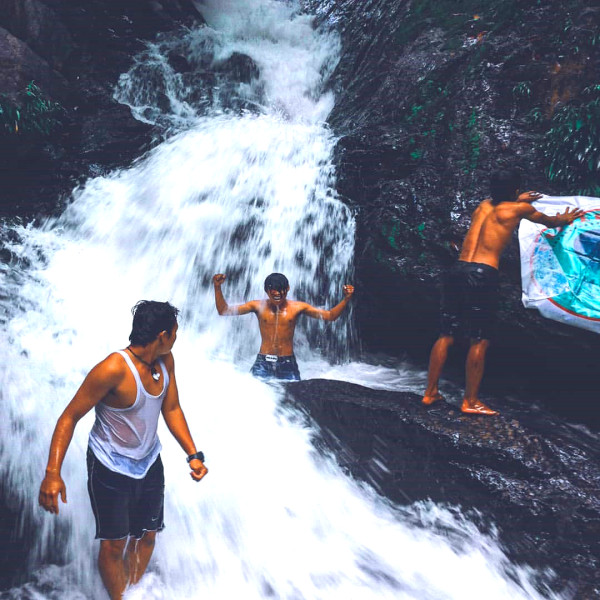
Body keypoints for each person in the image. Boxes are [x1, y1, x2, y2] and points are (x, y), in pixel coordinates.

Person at [38, 301, 208, 600]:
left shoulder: (166, 361)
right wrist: (53, 473)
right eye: (176, 333)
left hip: (149, 460)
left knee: (147, 537)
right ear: (163, 335)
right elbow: (69, 416)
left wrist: (193, 454)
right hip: (109, 466)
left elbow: (171, 407)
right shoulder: (113, 369)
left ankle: (132, 589)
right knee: (113, 545)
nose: (176, 338)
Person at [422, 169, 583, 415]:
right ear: (516, 191)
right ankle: (471, 401)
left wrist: (516, 198)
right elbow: (551, 222)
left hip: (457, 269)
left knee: (446, 334)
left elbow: (500, 206)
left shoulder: (482, 205)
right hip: (482, 275)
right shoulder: (521, 210)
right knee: (480, 338)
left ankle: (430, 393)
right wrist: (567, 217)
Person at [212, 272, 354, 381]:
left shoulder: (298, 307)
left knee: (295, 400)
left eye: (282, 293)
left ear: (288, 289)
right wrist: (217, 287)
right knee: (253, 397)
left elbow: (330, 316)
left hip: (287, 362)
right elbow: (224, 311)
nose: (278, 296)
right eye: (274, 295)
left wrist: (346, 298)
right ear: (267, 292)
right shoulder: (257, 306)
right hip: (263, 361)